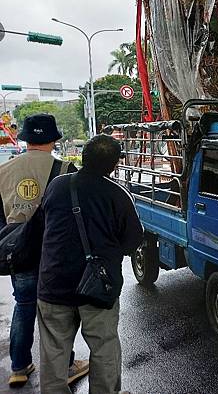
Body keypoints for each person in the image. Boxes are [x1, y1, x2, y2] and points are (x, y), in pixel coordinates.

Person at [36, 134, 143, 394]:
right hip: (98, 286)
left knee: (53, 353)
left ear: (83, 157)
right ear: (114, 164)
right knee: (104, 346)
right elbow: (133, 241)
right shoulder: (117, 194)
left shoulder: (57, 186)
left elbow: (43, 224)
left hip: (53, 282)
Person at [0, 114, 88, 388]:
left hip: (18, 250)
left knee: (24, 304)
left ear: (25, 139)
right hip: (54, 252)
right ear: (52, 140)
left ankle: (19, 366)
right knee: (58, 311)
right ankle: (67, 365)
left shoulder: (3, 170)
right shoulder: (66, 170)